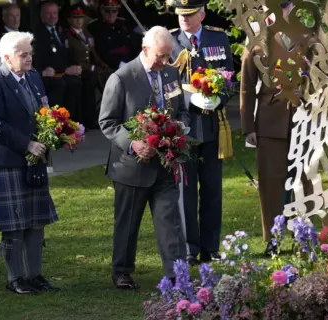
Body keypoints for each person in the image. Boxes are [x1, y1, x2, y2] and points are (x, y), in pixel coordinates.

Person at [99, 26, 189, 289]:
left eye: (168, 55)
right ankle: (122, 272)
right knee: (127, 222)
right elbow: (108, 122)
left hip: (165, 162)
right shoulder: (121, 78)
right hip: (131, 166)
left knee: (169, 219)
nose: (165, 62)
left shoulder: (172, 73)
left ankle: (177, 273)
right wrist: (133, 143)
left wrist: (178, 129)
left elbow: (182, 111)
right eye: (160, 56)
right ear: (145, 49)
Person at [0, 31, 59, 294]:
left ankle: (34, 276)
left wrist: (57, 132)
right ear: (6, 57)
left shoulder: (34, 78)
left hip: (35, 159)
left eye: (30, 53)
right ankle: (15, 279)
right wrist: (26, 143)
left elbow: (43, 113)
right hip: (9, 161)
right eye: (23, 54)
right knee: (13, 225)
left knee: (36, 222)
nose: (29, 58)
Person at [240, 0, 313, 256]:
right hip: (269, 123)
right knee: (271, 184)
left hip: (303, 119)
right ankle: (272, 239)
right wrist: (248, 126)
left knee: (304, 180)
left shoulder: (307, 37)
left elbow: (319, 78)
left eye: (283, 7)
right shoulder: (256, 41)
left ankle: (304, 235)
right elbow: (247, 87)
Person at [170, 0, 234, 265]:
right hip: (183, 128)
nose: (185, 19)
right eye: (181, 15)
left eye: (191, 14)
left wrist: (219, 98)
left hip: (211, 126)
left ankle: (211, 247)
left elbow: (229, 78)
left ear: (202, 14)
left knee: (211, 189)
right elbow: (164, 84)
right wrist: (188, 102)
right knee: (185, 192)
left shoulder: (218, 39)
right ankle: (189, 249)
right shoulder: (170, 41)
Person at [33, 0, 83, 115]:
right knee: (60, 84)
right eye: (48, 13)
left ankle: (75, 122)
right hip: (49, 74)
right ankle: (58, 122)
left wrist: (75, 66)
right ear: (41, 14)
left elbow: (68, 52)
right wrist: (65, 70)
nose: (52, 16)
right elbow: (43, 57)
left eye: (54, 13)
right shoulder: (37, 33)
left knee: (77, 82)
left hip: (64, 72)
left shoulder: (60, 31)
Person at [65, 3, 111, 129]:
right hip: (80, 70)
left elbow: (93, 53)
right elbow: (72, 57)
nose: (79, 20)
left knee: (107, 75)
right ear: (70, 20)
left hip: (90, 69)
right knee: (92, 81)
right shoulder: (68, 35)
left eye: (81, 17)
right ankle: (89, 119)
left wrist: (101, 64)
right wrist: (91, 67)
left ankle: (103, 114)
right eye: (75, 17)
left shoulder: (87, 33)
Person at [87, 0, 142, 70]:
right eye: (107, 11)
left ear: (118, 12)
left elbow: (134, 44)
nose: (111, 14)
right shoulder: (95, 27)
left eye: (114, 11)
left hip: (131, 63)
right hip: (112, 67)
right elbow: (101, 52)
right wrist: (119, 64)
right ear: (101, 11)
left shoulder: (123, 24)